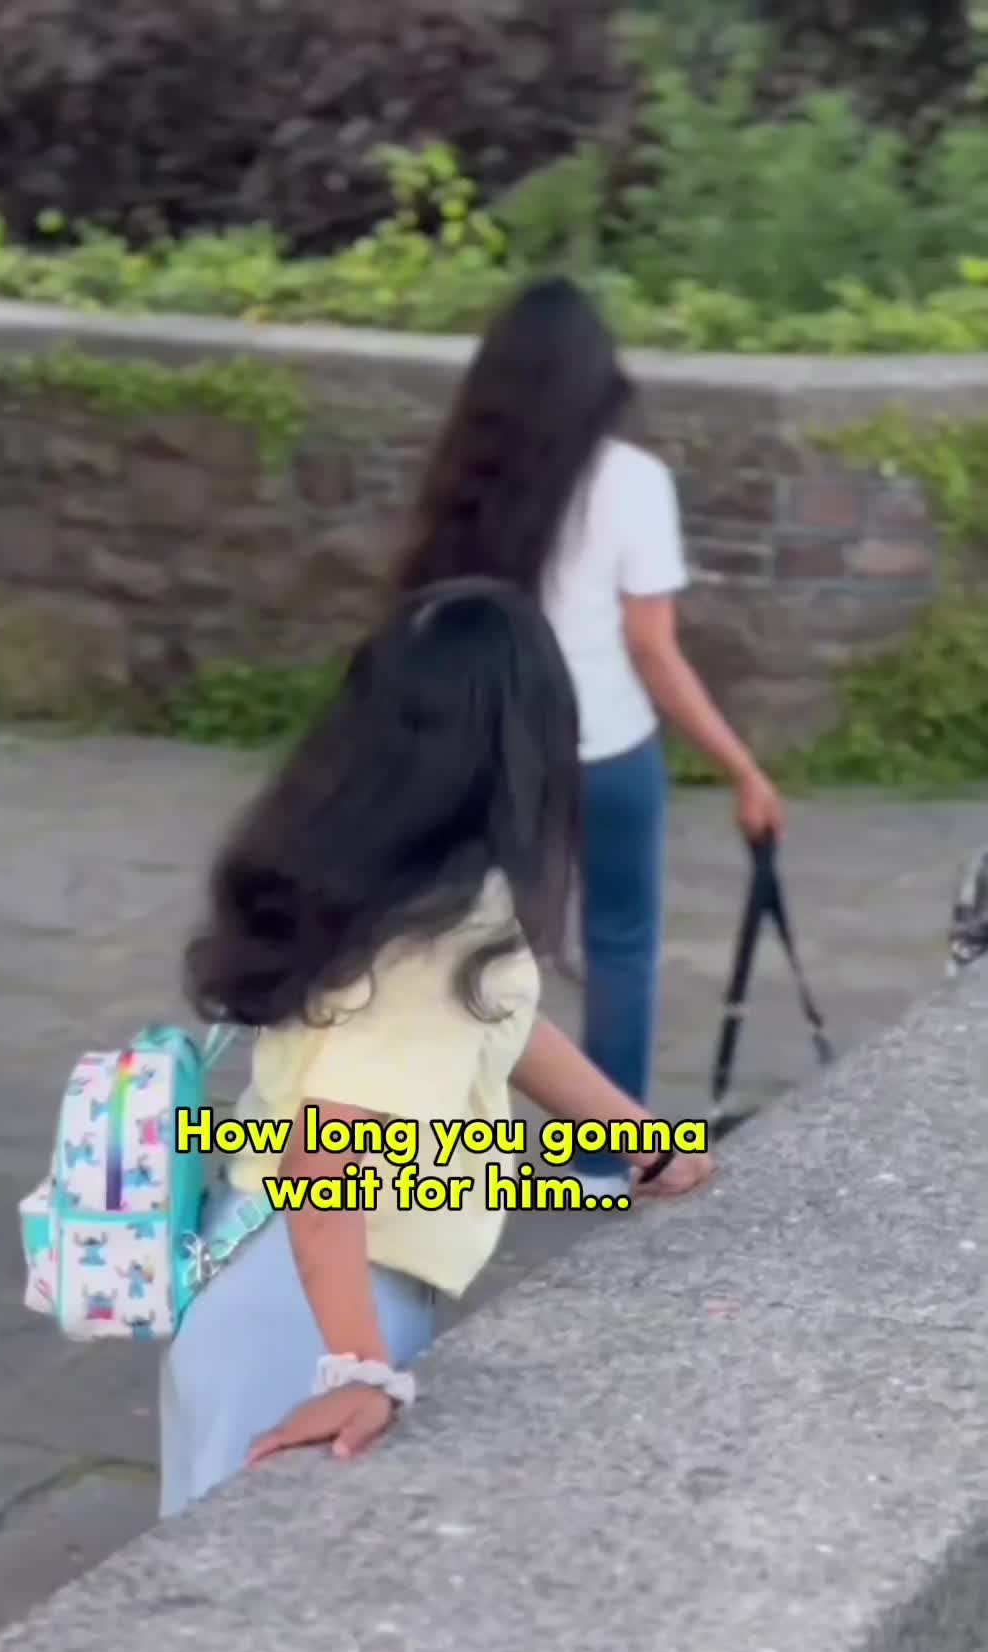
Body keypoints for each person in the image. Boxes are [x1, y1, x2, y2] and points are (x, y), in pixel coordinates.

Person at [162, 580, 711, 1517]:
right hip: (305, 1308)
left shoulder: (386, 877)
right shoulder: (438, 931)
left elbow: (498, 1024)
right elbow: (324, 1153)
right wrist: (354, 1367)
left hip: (265, 1274)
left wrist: (641, 1142)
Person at [396, 277, 786, 1193]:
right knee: (620, 949)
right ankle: (608, 1156)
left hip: (487, 750)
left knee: (464, 944)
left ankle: (446, 1132)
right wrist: (742, 770)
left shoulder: (465, 477)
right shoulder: (633, 482)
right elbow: (652, 648)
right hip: (607, 750)